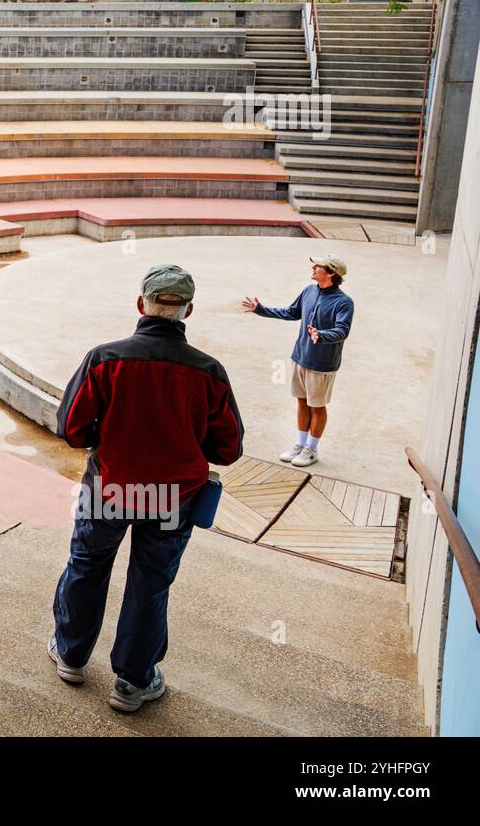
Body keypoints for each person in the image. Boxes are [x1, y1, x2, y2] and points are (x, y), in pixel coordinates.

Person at [52, 264, 243, 713]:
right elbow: (227, 448)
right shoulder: (209, 372)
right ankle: (133, 682)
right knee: (150, 583)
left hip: (107, 490)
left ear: (141, 304)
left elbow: (73, 430)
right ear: (188, 311)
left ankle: (71, 655)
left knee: (87, 565)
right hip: (173, 498)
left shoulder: (104, 359)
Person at [242, 255, 354, 468]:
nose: (313, 267)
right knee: (302, 402)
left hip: (322, 364)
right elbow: (291, 312)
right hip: (300, 358)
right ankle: (300, 444)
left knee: (317, 406)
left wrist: (321, 335)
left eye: (318, 266)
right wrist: (261, 309)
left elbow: (342, 330)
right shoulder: (309, 291)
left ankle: (312, 449)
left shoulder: (344, 302)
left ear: (330, 273)